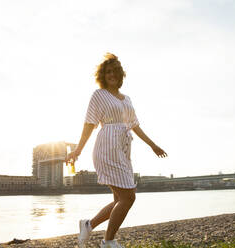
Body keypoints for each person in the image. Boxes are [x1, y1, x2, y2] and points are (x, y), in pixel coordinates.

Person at [65, 52, 168, 248]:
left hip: (123, 150)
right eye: (107, 72)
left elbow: (135, 125)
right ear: (102, 76)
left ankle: (88, 225)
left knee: (120, 199)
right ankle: (108, 241)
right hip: (107, 147)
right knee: (129, 197)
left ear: (120, 75)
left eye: (114, 71)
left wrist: (152, 145)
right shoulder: (99, 95)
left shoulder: (126, 99)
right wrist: (78, 150)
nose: (111, 75)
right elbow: (89, 124)